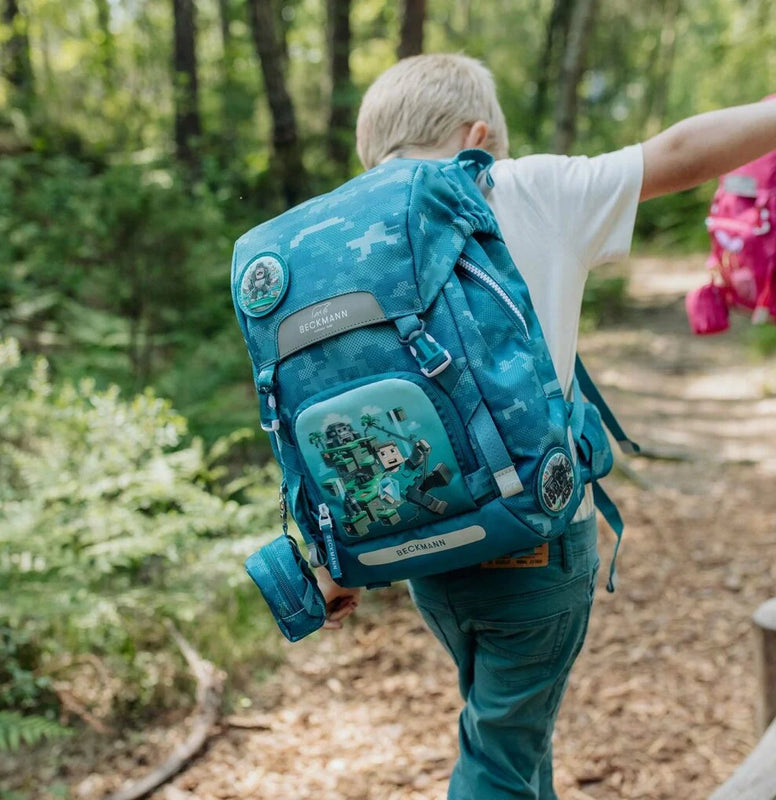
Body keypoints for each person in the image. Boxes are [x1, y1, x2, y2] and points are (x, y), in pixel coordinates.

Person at [312, 53, 776, 799]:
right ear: (480, 133)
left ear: (374, 148)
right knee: (500, 752)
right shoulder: (523, 186)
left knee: (512, 728)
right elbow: (683, 153)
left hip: (421, 549)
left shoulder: (331, 241)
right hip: (536, 541)